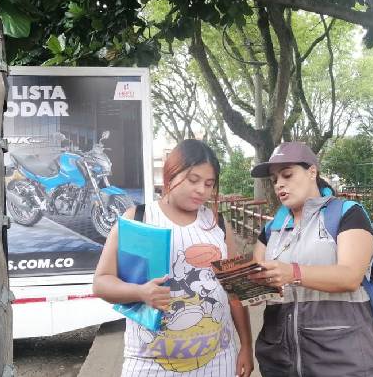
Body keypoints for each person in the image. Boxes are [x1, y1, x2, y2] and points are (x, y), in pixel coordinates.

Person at [93, 139, 254, 377]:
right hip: (149, 364)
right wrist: (140, 292)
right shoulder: (138, 218)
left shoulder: (218, 224)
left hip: (218, 360)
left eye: (209, 184)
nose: (202, 190)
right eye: (193, 180)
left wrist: (246, 346)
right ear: (171, 174)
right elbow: (102, 282)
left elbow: (234, 292)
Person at [248, 142, 373, 377]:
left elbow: (350, 276)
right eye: (274, 179)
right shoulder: (271, 229)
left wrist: (294, 273)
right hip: (279, 360)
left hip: (341, 358)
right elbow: (260, 284)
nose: (279, 184)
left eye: (287, 174)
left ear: (312, 171)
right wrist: (246, 286)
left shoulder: (347, 214)